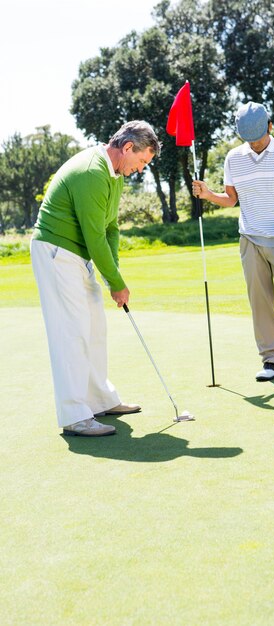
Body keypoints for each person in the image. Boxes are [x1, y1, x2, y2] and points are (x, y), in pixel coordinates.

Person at [31, 120, 161, 436]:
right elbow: (94, 236)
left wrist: (111, 273)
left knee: (94, 328)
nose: (142, 169)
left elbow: (110, 228)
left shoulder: (114, 176)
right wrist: (116, 283)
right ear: (128, 147)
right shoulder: (92, 171)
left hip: (79, 255)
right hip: (56, 251)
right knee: (72, 332)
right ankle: (75, 415)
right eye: (142, 161)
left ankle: (99, 400)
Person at [192, 102, 274, 382]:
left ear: (270, 126)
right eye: (248, 139)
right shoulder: (233, 158)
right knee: (260, 302)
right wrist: (208, 194)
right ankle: (272, 359)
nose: (254, 144)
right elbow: (231, 200)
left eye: (258, 137)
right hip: (250, 238)